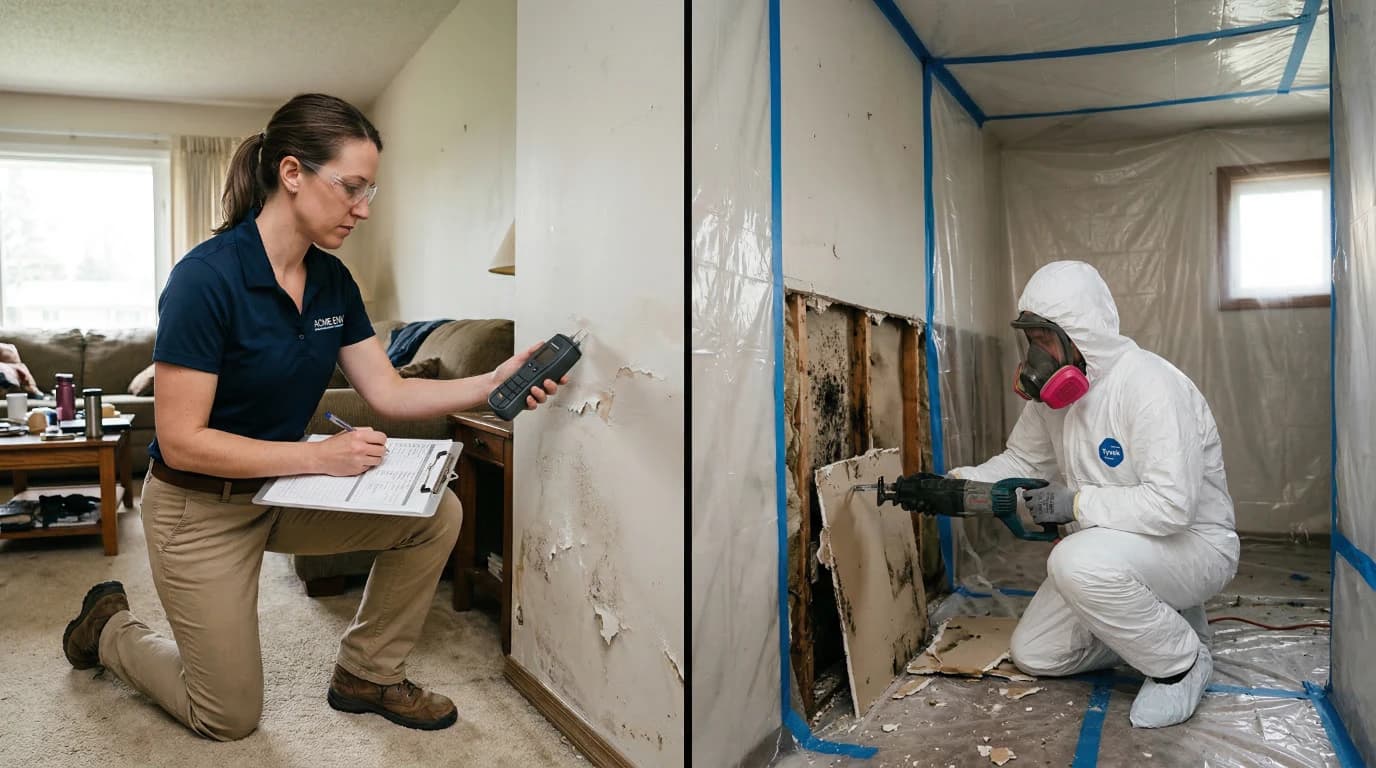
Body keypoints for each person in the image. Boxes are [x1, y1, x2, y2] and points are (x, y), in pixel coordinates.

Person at [61, 93, 567, 740]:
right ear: (293, 173)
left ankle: (368, 671)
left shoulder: (333, 282)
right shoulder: (204, 281)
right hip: (200, 509)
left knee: (437, 514)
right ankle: (109, 628)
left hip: (279, 490)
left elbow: (387, 392)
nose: (362, 208)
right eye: (351, 187)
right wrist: (317, 457)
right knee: (226, 716)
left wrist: (492, 381)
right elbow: (182, 442)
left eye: (370, 192)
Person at [947, 260, 1239, 729]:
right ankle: (1162, 621)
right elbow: (1022, 463)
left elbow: (1172, 506)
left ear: (1080, 332)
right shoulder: (1055, 399)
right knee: (1036, 652)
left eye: (1044, 339)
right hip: (1114, 551)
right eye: (1031, 339)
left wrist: (1075, 504)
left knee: (1073, 562)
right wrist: (957, 485)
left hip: (1194, 545)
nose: (1035, 354)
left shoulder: (1149, 386)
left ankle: (1181, 663)